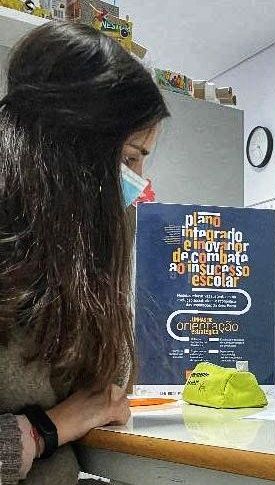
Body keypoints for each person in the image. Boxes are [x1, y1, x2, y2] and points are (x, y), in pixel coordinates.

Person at [0, 21, 169, 484]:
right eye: (130, 158)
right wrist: (45, 431)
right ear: (67, 153)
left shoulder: (65, 248)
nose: (139, 182)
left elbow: (104, 390)